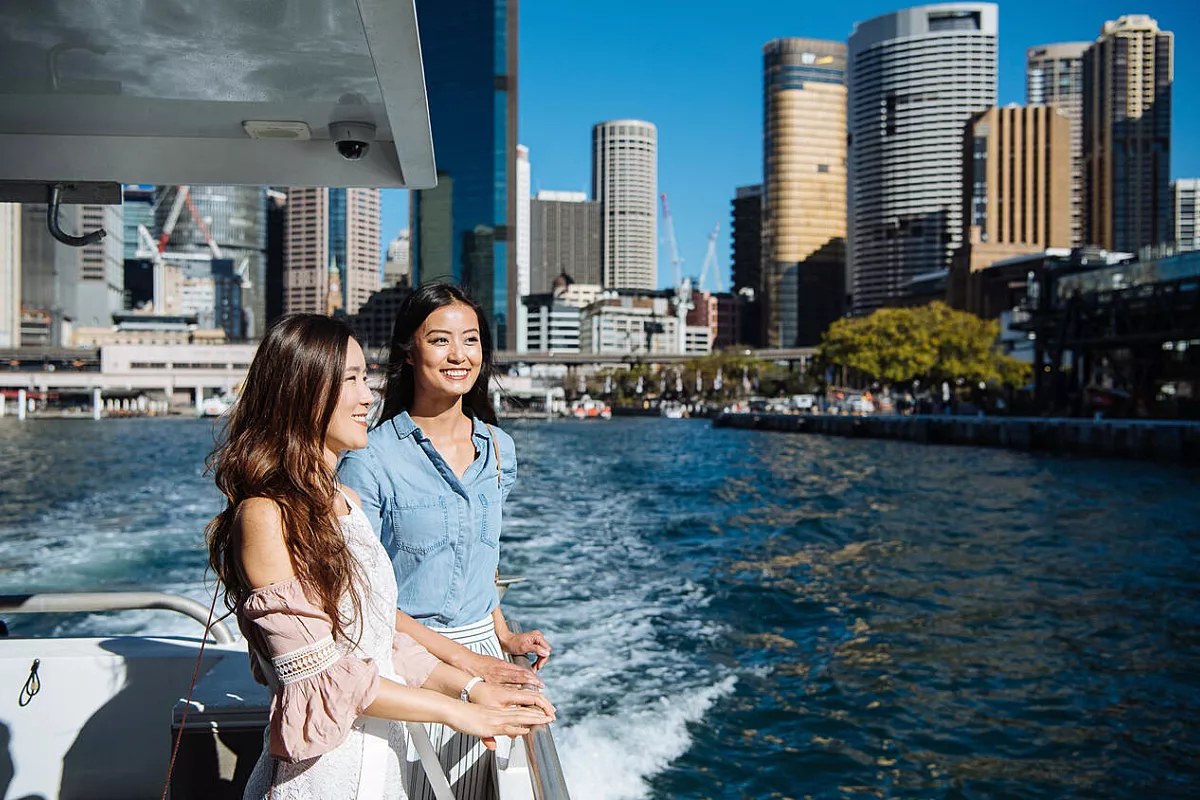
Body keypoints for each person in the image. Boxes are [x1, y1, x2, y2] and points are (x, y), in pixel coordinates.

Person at [205, 314, 554, 800]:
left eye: (364, 378)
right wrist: (459, 711)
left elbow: (379, 640)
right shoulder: (266, 515)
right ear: (301, 390)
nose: (367, 397)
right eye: (348, 380)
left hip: (379, 770)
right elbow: (323, 680)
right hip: (322, 779)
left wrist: (473, 689)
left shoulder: (343, 501)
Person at [339, 284, 552, 800]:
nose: (459, 355)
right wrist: (467, 665)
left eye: (471, 340)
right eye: (440, 340)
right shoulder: (371, 459)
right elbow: (364, 593)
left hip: (483, 652)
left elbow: (480, 557)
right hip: (410, 663)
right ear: (409, 354)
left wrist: (503, 636)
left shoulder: (498, 450)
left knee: (476, 792)